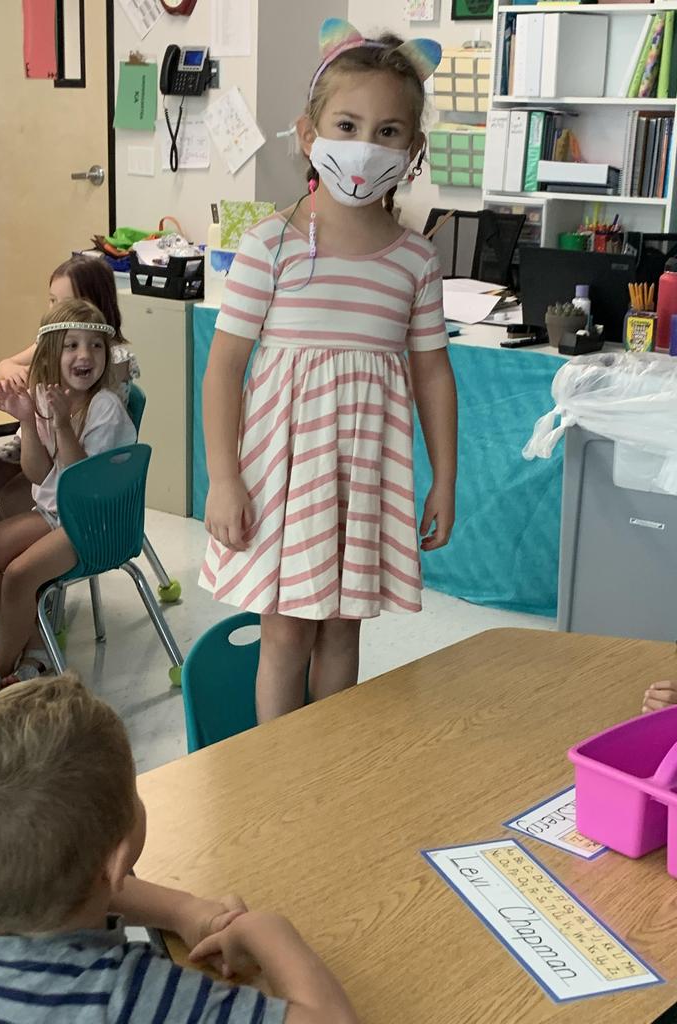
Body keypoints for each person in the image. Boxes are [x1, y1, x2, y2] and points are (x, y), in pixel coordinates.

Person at [200, 19, 456, 722]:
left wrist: (445, 478)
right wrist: (224, 478)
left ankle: (326, 764)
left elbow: (433, 374)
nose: (366, 146)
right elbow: (223, 370)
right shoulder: (270, 246)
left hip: (363, 473)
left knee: (344, 630)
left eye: (388, 131)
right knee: (286, 633)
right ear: (309, 134)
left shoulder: (415, 260)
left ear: (413, 149)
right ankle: (281, 766)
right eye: (348, 125)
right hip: (285, 475)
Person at [0, 674, 360, 1024]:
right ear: (118, 856)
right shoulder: (125, 997)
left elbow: (86, 883)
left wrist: (184, 910)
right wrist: (267, 931)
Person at [0, 298, 137, 693]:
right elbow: (37, 474)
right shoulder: (47, 399)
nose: (85, 355)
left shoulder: (105, 407)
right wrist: (28, 420)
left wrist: (63, 425)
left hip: (95, 523)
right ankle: (36, 644)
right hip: (57, 515)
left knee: (18, 575)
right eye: (72, 345)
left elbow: (83, 486)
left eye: (95, 346)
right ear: (51, 353)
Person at [0, 255, 139, 525]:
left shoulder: (110, 359)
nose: (56, 309)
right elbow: (6, 364)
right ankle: (2, 543)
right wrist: (16, 373)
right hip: (37, 443)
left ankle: (20, 542)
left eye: (66, 302)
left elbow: (79, 404)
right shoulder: (53, 340)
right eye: (52, 300)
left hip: (70, 459)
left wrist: (39, 383)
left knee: (12, 498)